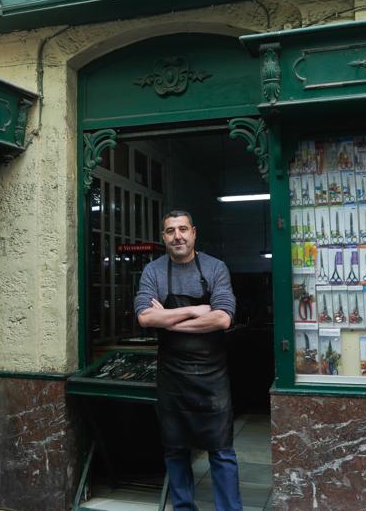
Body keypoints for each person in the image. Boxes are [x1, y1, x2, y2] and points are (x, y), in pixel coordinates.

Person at [134, 210, 242, 511]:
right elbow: (145, 317)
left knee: (221, 449)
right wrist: (196, 311)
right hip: (173, 373)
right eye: (170, 231)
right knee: (174, 448)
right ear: (163, 237)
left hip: (212, 374)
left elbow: (222, 319)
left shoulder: (215, 268)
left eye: (183, 229)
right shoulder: (153, 271)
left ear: (194, 232)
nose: (177, 236)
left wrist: (167, 320)